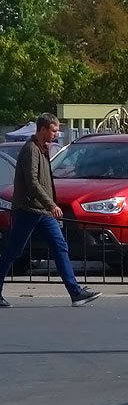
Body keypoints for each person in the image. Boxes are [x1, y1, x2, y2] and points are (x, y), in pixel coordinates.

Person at [0, 113, 100, 308]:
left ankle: (76, 292)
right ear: (43, 129)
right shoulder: (31, 150)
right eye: (53, 130)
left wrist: (47, 206)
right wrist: (51, 205)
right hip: (28, 209)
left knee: (60, 247)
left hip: (41, 211)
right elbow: (32, 182)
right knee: (13, 251)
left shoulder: (42, 149)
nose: (56, 134)